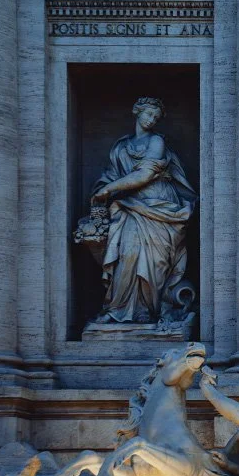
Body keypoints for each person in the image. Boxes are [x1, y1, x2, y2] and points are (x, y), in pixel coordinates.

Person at [88, 97, 197, 326]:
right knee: (127, 254)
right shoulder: (120, 147)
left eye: (156, 117)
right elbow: (111, 175)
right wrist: (102, 188)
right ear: (137, 111)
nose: (152, 120)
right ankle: (118, 308)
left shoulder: (157, 141)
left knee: (155, 261)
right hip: (130, 207)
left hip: (159, 207)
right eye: (149, 114)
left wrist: (108, 189)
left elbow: (144, 175)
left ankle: (147, 311)